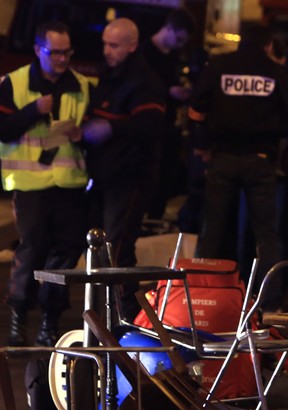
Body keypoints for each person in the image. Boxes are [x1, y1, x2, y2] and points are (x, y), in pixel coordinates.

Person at [188, 24, 288, 311]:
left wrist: (202, 144)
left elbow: (196, 109)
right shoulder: (276, 73)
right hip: (261, 161)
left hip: (222, 157)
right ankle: (270, 301)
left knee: (212, 230)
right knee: (266, 234)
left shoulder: (219, 66)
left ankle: (196, 298)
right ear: (268, 44)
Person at [0, 20, 89, 347]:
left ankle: (50, 318)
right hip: (30, 183)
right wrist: (32, 111)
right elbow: (2, 130)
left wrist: (83, 136)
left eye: (67, 52)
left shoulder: (80, 85)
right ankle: (19, 314)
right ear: (39, 50)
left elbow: (89, 129)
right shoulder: (14, 82)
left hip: (69, 183)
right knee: (32, 248)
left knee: (65, 253)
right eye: (56, 52)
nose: (63, 59)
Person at [82, 18, 165, 320]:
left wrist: (111, 128)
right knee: (105, 247)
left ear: (132, 45)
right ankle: (113, 313)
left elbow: (152, 125)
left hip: (131, 176)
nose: (106, 50)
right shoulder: (109, 76)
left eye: (114, 45)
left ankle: (127, 315)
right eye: (105, 43)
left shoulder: (144, 81)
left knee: (118, 247)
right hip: (105, 174)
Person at [141, 8, 196, 220]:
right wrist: (168, 91)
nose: (180, 45)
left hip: (169, 121)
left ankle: (156, 213)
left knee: (167, 170)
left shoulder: (172, 55)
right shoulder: (145, 52)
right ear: (170, 29)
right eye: (180, 39)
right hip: (151, 123)